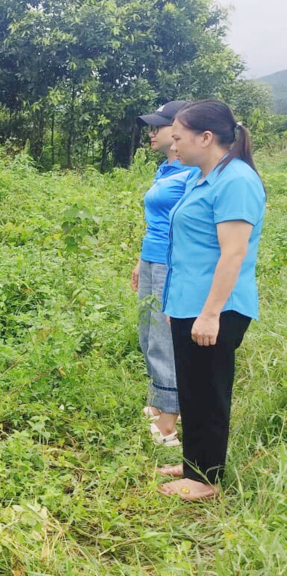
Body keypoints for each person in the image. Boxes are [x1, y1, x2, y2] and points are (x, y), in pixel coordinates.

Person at [156, 99, 266, 501]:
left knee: (208, 388)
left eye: (180, 137)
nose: (175, 144)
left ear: (206, 137)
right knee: (192, 386)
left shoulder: (235, 181)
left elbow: (232, 253)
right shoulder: (203, 176)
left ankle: (205, 480)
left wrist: (209, 314)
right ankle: (194, 463)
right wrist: (179, 307)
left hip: (217, 306)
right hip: (191, 303)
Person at [131, 101, 199, 447]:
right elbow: (157, 221)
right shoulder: (166, 169)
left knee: (162, 337)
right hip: (152, 259)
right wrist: (141, 262)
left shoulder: (193, 173)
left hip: (170, 263)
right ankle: (162, 400)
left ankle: (169, 421)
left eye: (158, 126)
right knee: (147, 334)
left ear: (178, 129)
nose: (152, 132)